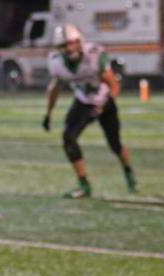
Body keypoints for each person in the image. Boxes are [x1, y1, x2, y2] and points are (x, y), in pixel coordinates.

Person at [43, 23, 137, 199]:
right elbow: (54, 88)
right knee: (68, 138)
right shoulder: (57, 62)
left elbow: (114, 85)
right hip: (83, 101)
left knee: (115, 145)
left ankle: (128, 171)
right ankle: (83, 184)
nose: (69, 48)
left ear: (80, 41)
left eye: (72, 43)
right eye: (64, 45)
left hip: (104, 99)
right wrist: (48, 114)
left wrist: (105, 104)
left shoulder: (93, 55)